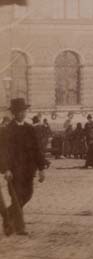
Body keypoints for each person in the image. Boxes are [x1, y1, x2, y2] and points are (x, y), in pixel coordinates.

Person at [0, 98, 47, 236]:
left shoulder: (30, 129)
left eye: (24, 110)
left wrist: (41, 168)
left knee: (27, 195)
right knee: (16, 197)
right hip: (14, 171)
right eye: (21, 111)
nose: (24, 113)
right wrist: (6, 169)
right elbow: (3, 152)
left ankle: (7, 216)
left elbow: (37, 150)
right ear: (15, 113)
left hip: (28, 170)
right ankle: (19, 227)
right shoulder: (6, 130)